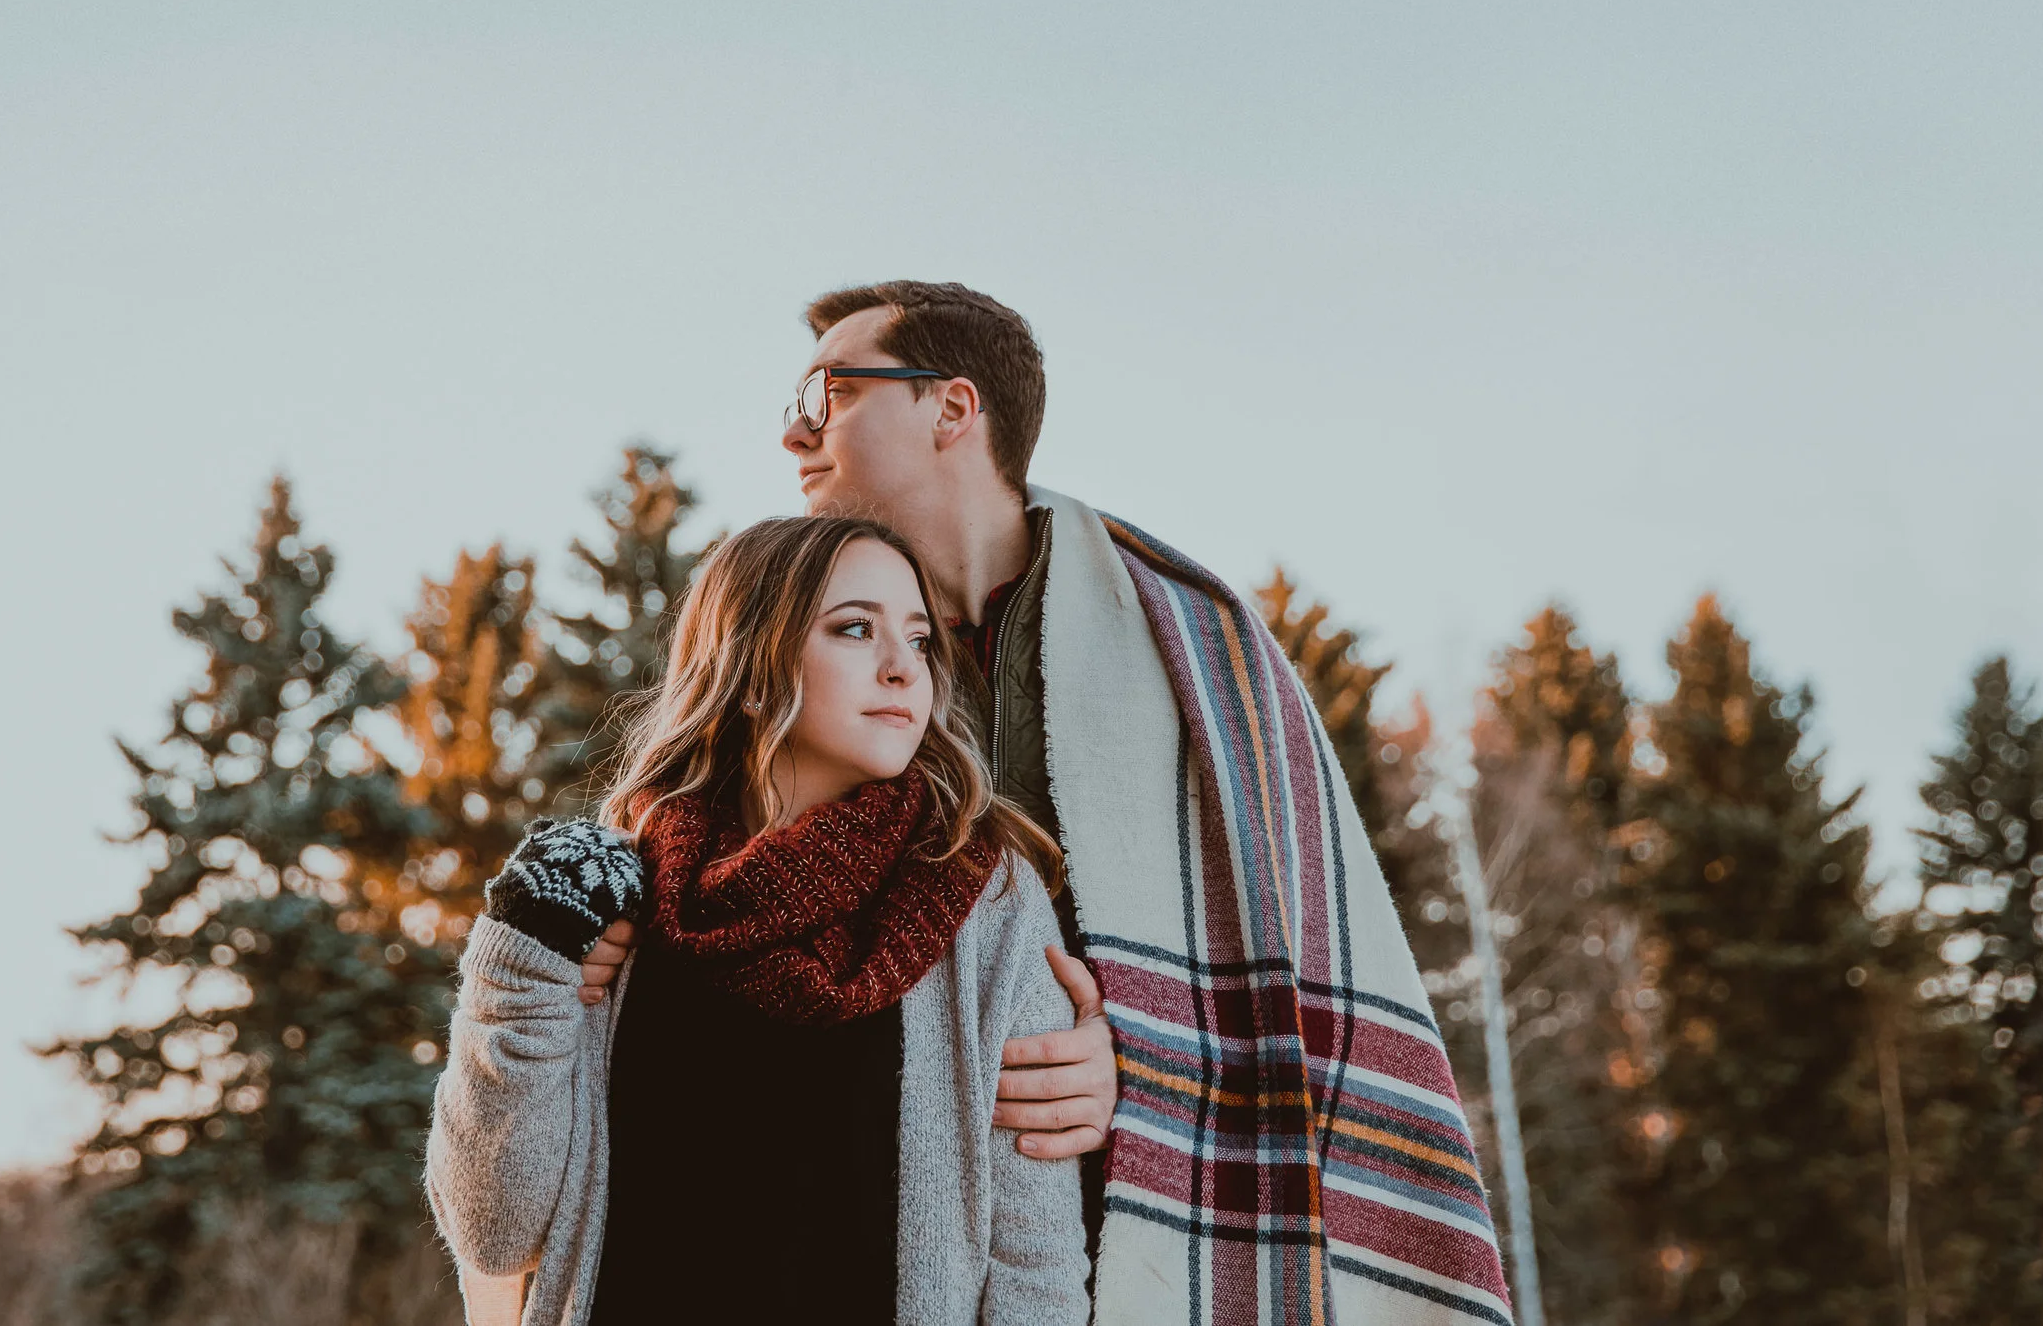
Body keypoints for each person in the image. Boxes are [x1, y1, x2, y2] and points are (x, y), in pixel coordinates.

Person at [589, 282, 1514, 1325]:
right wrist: (608, 936)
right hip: (825, 1221)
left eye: (830, 391)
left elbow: (1291, 989)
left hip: (1097, 1232)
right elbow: (714, 867)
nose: (792, 428)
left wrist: (1142, 1064)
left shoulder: (1190, 652)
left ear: (951, 409)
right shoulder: (801, 641)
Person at [426, 516, 1094, 1326]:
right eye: (855, 628)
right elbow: (495, 1235)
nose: (901, 669)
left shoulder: (983, 900)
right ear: (749, 669)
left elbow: (1036, 1262)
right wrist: (518, 960)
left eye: (918, 641)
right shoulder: (612, 894)